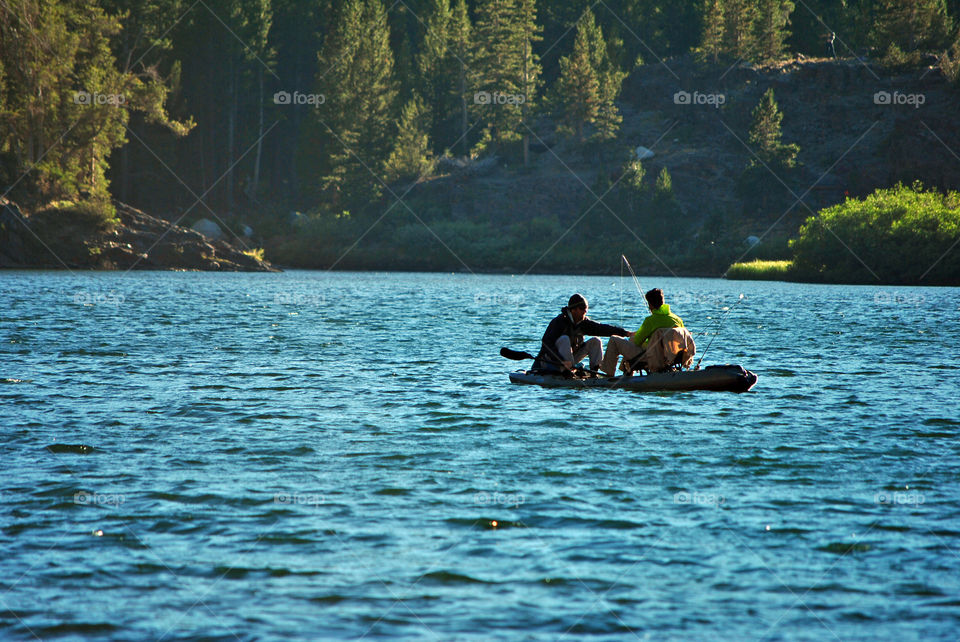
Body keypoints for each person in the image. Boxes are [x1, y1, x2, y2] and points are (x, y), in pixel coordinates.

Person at [533, 294, 628, 374]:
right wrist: (561, 361)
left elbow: (602, 328)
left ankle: (594, 372)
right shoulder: (559, 322)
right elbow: (546, 344)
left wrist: (625, 333)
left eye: (586, 308)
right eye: (582, 308)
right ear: (573, 310)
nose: (585, 311)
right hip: (552, 360)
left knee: (596, 341)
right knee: (564, 339)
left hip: (570, 361)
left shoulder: (583, 323)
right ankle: (566, 370)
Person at [600, 288, 686, 376]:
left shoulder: (650, 320)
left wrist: (635, 335)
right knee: (632, 339)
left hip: (652, 357)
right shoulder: (677, 319)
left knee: (615, 340)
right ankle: (627, 372)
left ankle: (609, 375)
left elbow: (638, 341)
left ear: (650, 305)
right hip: (673, 357)